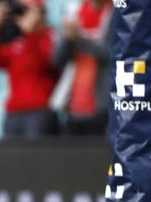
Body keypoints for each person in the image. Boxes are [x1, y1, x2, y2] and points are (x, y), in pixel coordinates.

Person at [0, 0, 60, 139]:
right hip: (14, 110)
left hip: (39, 110)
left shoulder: (51, 36)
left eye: (27, 10)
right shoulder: (19, 43)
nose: (24, 15)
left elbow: (48, 62)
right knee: (11, 158)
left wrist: (31, 33)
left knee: (35, 157)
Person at [51, 0, 112, 136]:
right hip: (73, 108)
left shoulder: (114, 13)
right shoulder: (74, 12)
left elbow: (113, 55)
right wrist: (67, 38)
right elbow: (57, 60)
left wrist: (79, 39)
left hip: (101, 107)